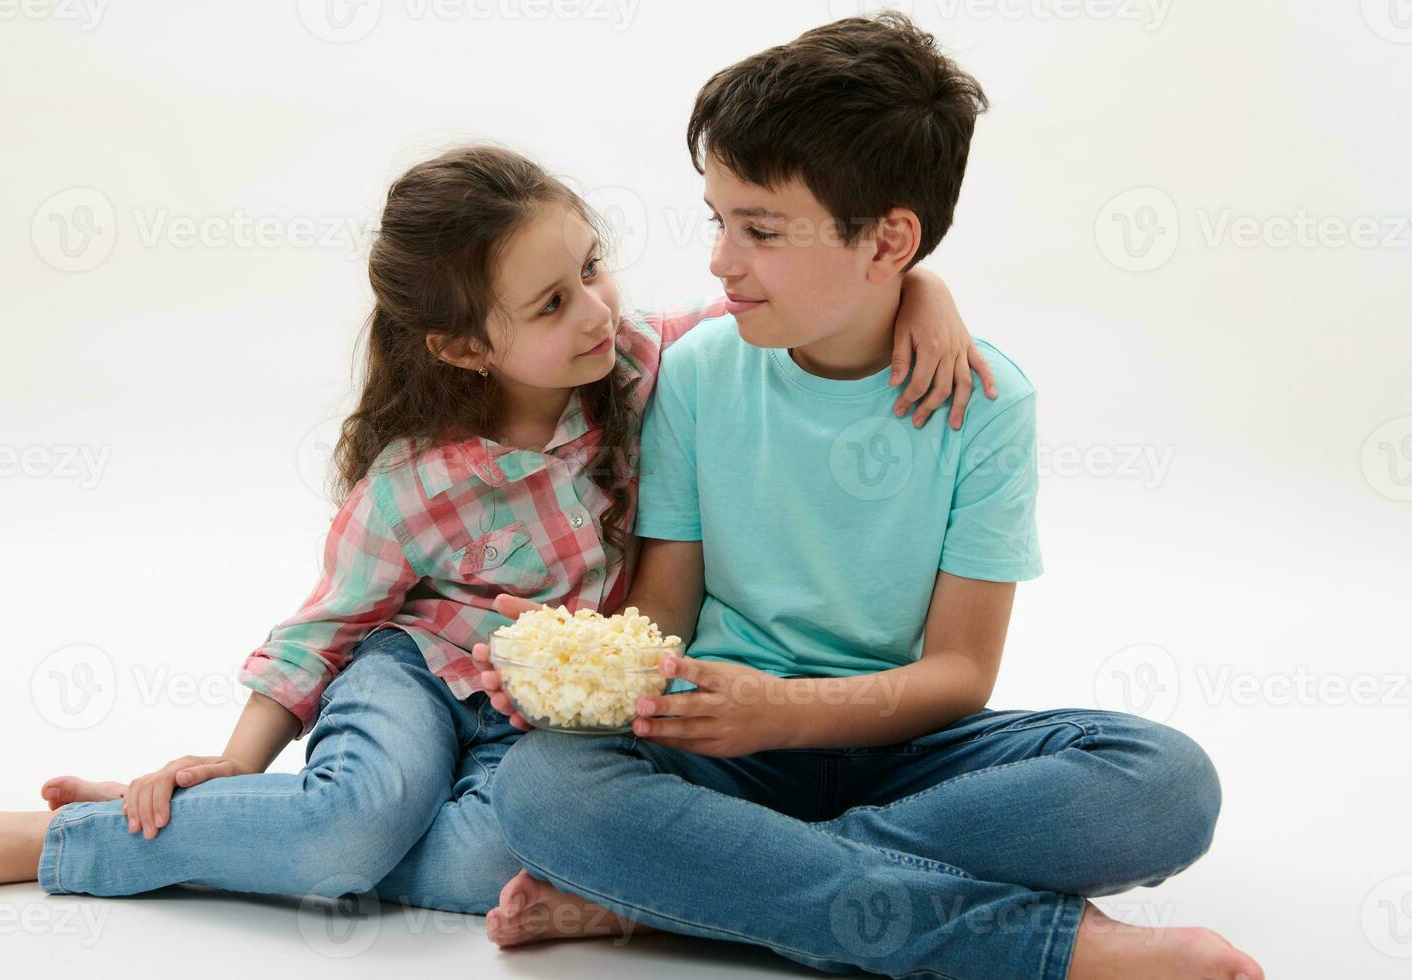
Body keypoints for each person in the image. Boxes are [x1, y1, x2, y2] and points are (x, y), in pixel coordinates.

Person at [0, 144, 990, 913]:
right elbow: (322, 633)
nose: (591, 308)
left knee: (486, 866)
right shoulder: (412, 482)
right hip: (412, 672)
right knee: (348, 822)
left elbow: (791, 309)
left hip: (533, 716)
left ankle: (258, 839)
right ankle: (57, 834)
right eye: (548, 303)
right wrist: (236, 758)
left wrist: (922, 291)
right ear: (463, 346)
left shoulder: (638, 364)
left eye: (591, 266)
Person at [473, 15, 1265, 980]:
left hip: (906, 741)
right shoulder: (695, 372)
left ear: (890, 240)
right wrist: (566, 662)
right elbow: (664, 619)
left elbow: (958, 674)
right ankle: (1045, 946)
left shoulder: (988, 405)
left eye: (758, 229)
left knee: (1165, 785)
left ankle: (700, 885)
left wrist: (788, 717)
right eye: (717, 220)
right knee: (547, 790)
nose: (722, 260)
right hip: (722, 739)